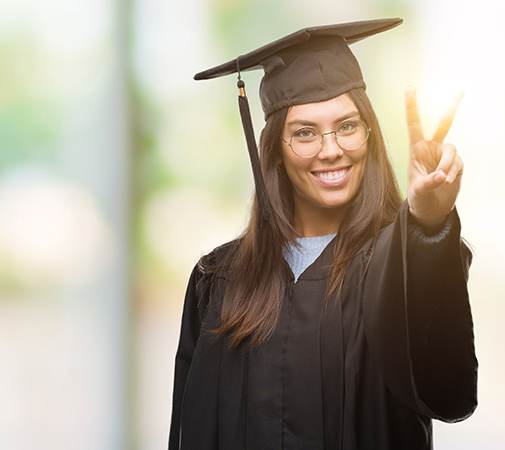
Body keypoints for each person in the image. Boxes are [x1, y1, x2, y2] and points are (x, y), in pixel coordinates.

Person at [168, 18, 477, 450]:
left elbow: (447, 391)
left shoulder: (397, 266)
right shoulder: (217, 280)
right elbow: (191, 427)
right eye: (304, 133)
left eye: (347, 126)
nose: (331, 149)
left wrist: (425, 222)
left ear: (369, 134)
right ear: (275, 148)